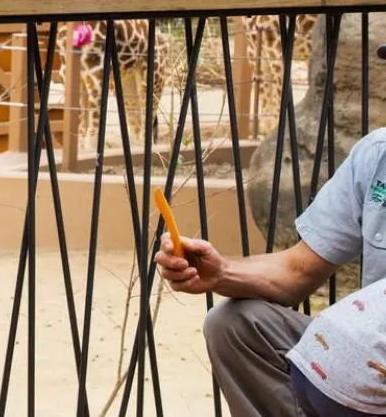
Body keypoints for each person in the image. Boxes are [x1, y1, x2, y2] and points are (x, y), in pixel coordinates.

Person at [155, 128, 386, 417]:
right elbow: (297, 270)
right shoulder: (378, 154)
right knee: (235, 324)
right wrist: (221, 272)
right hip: (370, 357)